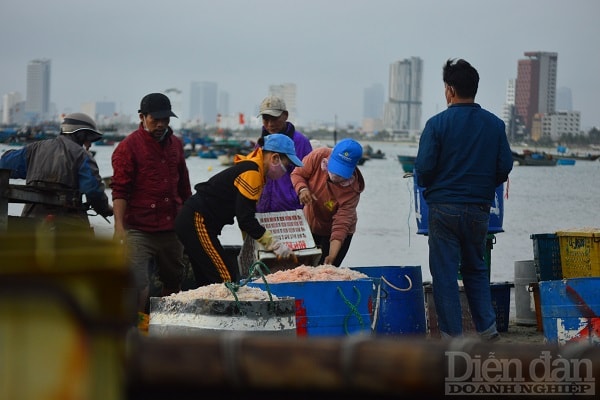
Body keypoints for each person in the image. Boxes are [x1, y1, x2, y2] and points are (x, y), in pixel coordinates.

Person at [414, 58, 514, 341]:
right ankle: (488, 331)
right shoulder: (495, 125)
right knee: (476, 270)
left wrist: (433, 186)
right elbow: (504, 167)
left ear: (450, 90)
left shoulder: (436, 125)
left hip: (443, 209)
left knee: (445, 275)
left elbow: (423, 169)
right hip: (479, 209)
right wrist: (483, 188)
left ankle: (452, 339)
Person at [175, 133, 302, 286]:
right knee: (225, 278)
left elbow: (244, 214)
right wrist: (274, 245)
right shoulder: (252, 173)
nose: (285, 170)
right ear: (275, 158)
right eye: (286, 164)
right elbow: (245, 220)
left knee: (206, 280)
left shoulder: (255, 170)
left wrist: (250, 248)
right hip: (196, 220)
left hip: (196, 222)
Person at [111, 92, 192, 317]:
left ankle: (164, 323)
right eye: (155, 119)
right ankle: (134, 326)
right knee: (137, 282)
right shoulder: (128, 147)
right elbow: (120, 191)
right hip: (139, 228)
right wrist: (119, 226)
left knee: (174, 278)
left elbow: (184, 186)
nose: (160, 124)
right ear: (142, 117)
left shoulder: (175, 144)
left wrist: (190, 219)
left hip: (171, 227)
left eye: (165, 120)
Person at [0, 112, 112, 232]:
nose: (89, 145)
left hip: (31, 220)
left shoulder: (34, 149)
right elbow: (93, 191)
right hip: (69, 224)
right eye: (89, 139)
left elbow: (4, 163)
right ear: (80, 134)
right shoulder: (83, 156)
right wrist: (106, 209)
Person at [290, 138, 365, 267]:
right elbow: (298, 174)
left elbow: (340, 225)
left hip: (336, 234)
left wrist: (331, 256)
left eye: (341, 173)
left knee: (327, 269)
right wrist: (302, 189)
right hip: (311, 224)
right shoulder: (318, 156)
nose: (336, 176)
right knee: (303, 269)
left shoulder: (352, 191)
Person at [255, 95, 312, 212]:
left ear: (285, 115)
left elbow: (309, 175)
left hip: (292, 212)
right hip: (262, 211)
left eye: (274, 118)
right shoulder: (261, 142)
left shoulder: (301, 142)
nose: (270, 124)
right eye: (266, 119)